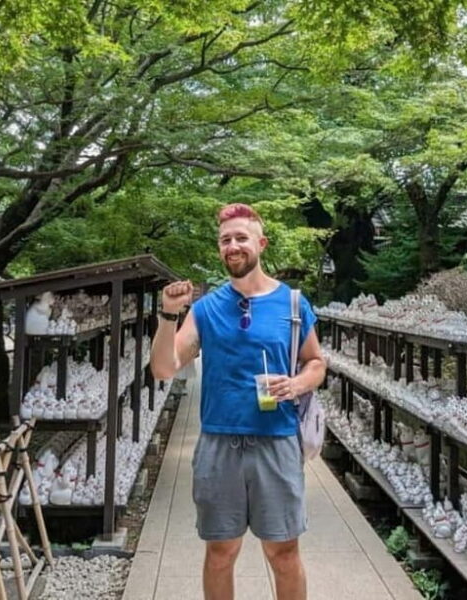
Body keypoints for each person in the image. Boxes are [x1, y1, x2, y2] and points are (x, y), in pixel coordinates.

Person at [150, 203, 326, 600]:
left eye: (241, 238)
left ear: (260, 243)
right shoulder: (207, 308)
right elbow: (164, 368)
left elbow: (316, 362)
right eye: (225, 240)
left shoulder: (294, 304)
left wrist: (297, 385)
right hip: (219, 443)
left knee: (283, 552)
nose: (233, 246)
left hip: (277, 441)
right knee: (220, 552)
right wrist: (167, 316)